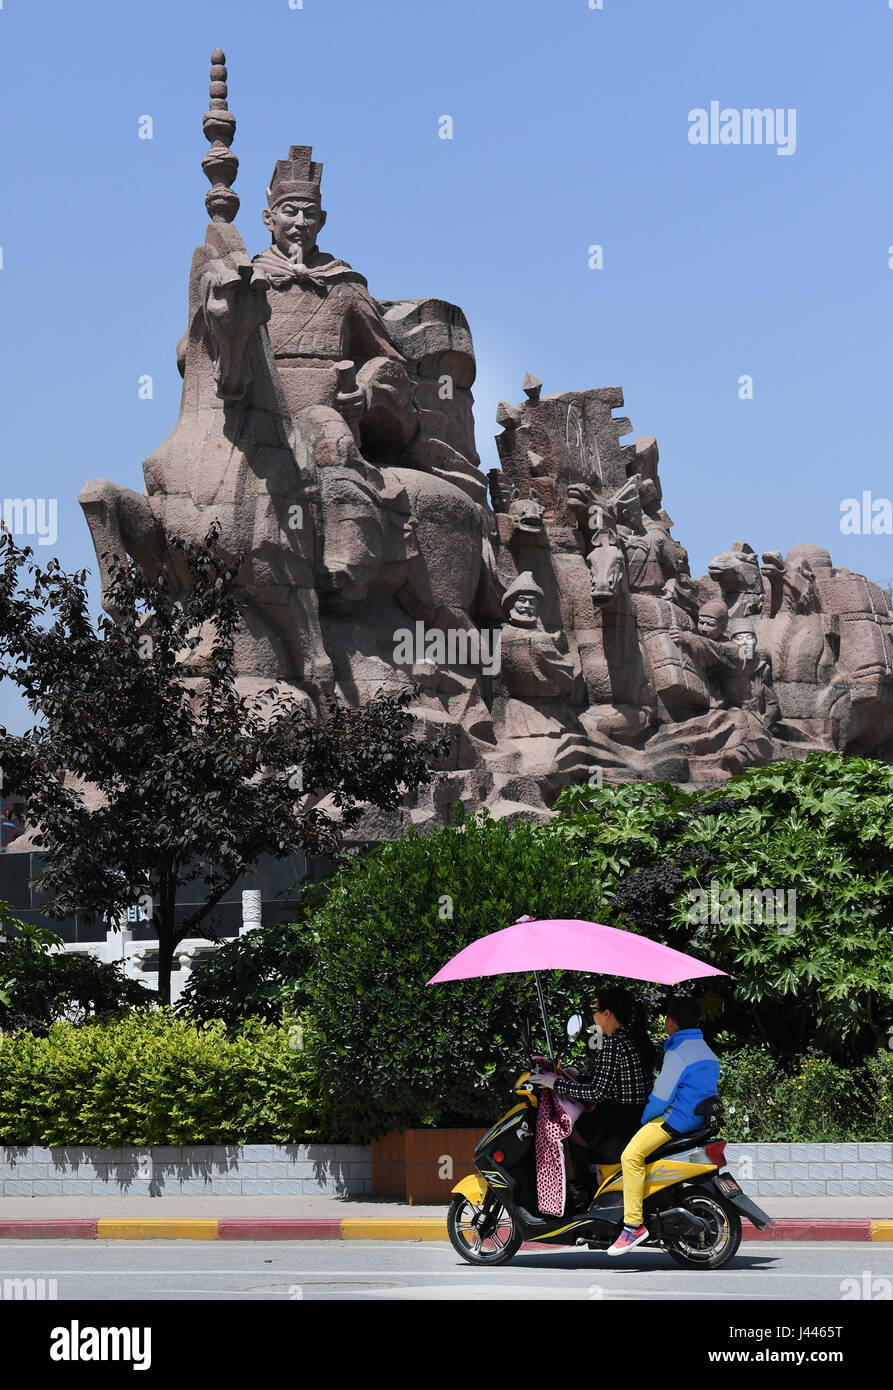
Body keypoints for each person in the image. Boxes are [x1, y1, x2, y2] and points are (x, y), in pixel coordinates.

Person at [607, 995, 720, 1256]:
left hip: (675, 1120)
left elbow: (660, 1097)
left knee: (631, 1156)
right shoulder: (705, 1049)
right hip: (698, 1120)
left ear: (670, 1022)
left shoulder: (678, 1052)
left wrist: (644, 1117)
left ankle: (633, 1225)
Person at [529, 987, 653, 1211]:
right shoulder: (630, 1039)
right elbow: (609, 1080)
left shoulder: (613, 1044)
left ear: (607, 1014)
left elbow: (597, 1091)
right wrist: (575, 1075)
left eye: (595, 1010)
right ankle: (584, 1186)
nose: (593, 1015)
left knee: (560, 1129)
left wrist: (554, 1083)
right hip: (634, 1115)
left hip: (621, 1123)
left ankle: (576, 1191)